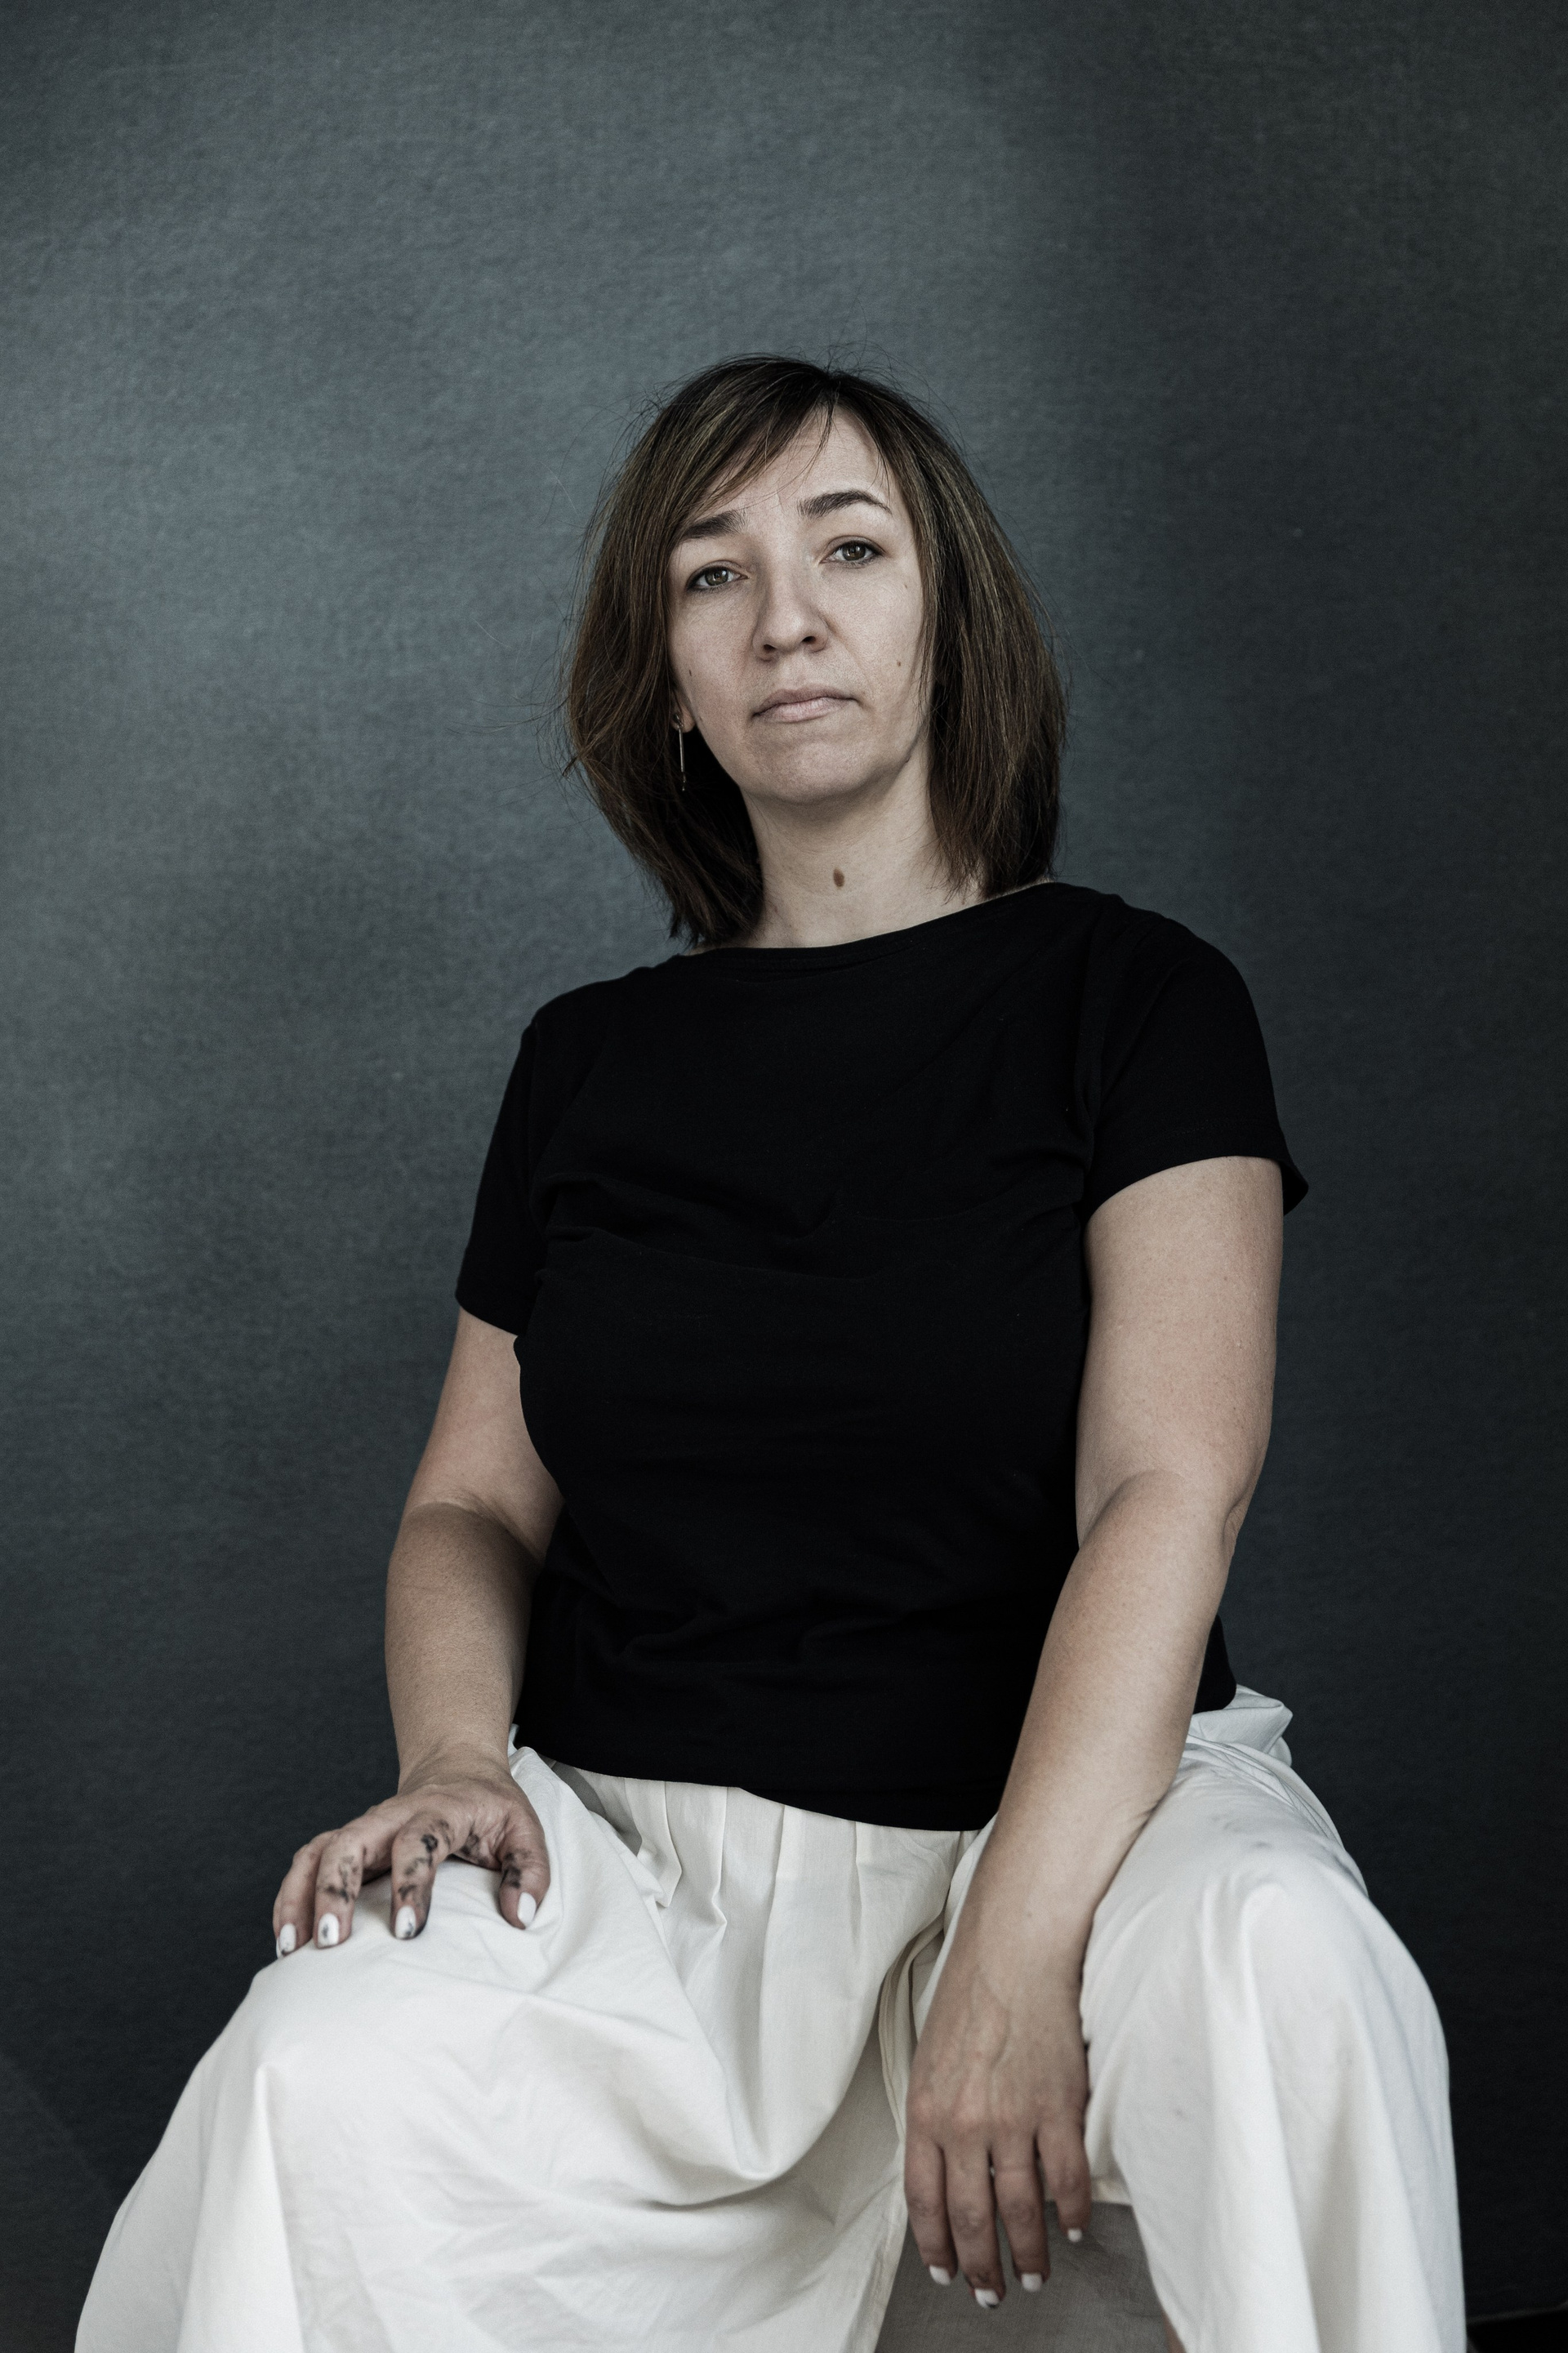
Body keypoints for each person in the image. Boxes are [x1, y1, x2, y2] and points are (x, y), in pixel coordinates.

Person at [78, 358, 1465, 2353]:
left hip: (1070, 1817)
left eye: (850, 550)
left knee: (1291, 1966)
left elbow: (1172, 1487)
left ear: (948, 616)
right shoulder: (586, 1060)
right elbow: (472, 1503)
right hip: (644, 1880)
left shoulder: (1140, 999)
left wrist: (1014, 1949)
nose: (786, 618)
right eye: (712, 576)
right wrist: (455, 1758)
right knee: (323, 2065)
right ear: (668, 679)